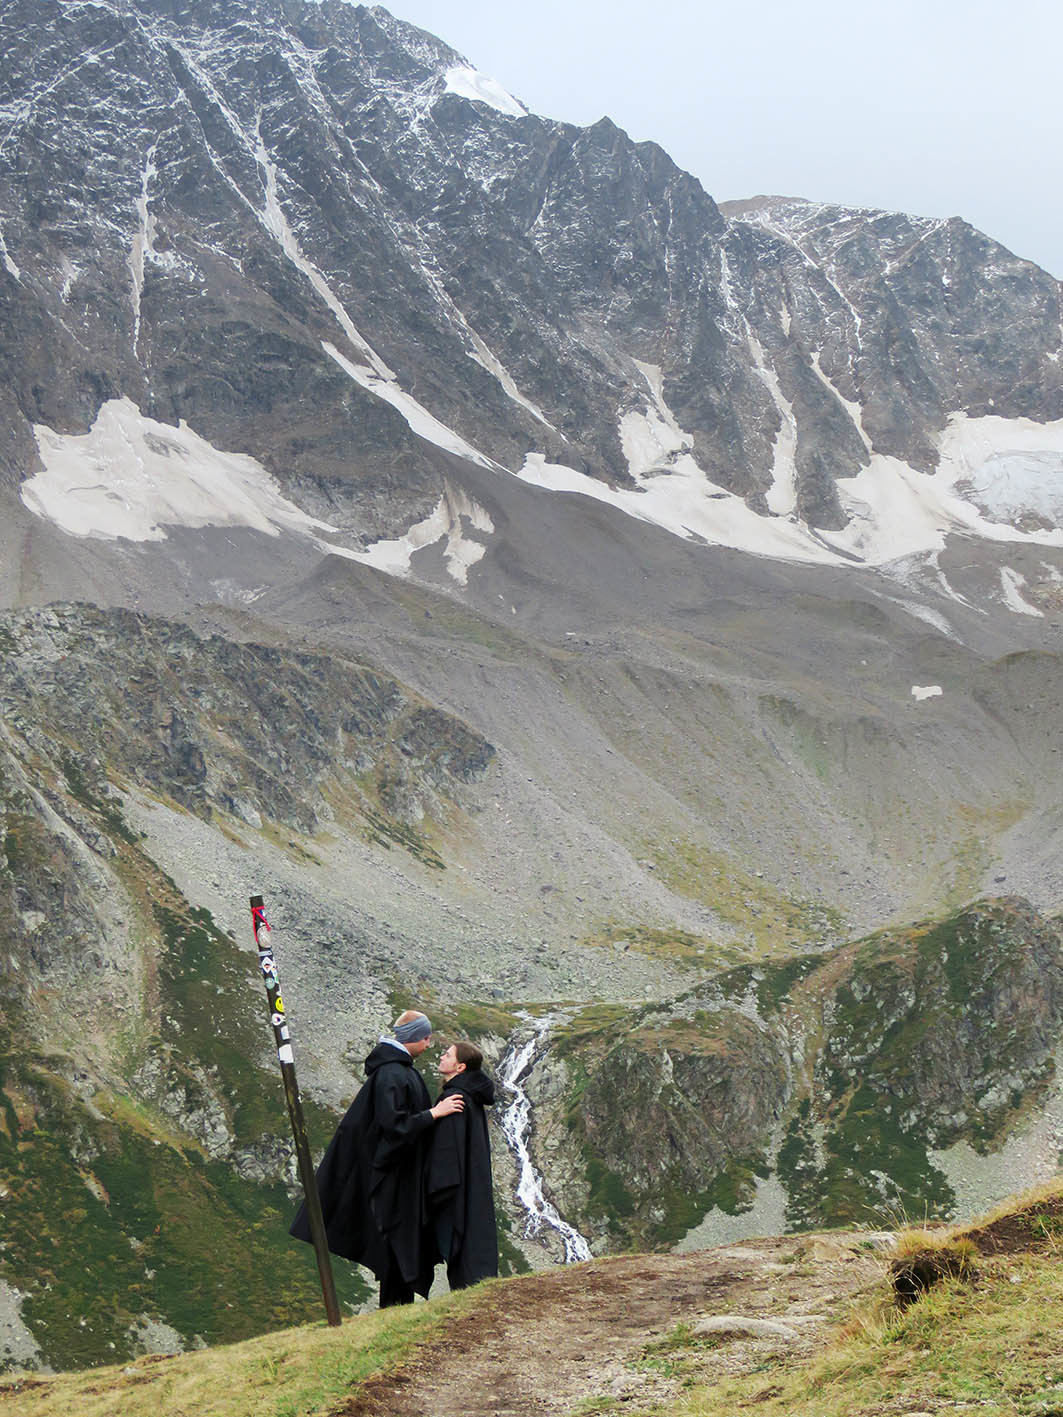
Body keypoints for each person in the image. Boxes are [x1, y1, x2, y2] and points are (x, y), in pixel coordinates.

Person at [290, 1010, 464, 1307]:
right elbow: (393, 1126)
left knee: (398, 1247)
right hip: (393, 1180)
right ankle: (394, 1308)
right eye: (426, 1037)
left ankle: (397, 1307)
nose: (429, 1043)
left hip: (394, 1176)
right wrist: (434, 1113)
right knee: (397, 1244)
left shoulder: (394, 1070)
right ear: (413, 1038)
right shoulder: (393, 1074)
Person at [426, 1039, 499, 1289]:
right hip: (472, 1182)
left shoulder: (455, 1099)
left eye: (447, 1055)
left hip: (456, 1187)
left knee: (461, 1241)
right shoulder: (470, 1096)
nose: (441, 1057)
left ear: (460, 1067)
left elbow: (447, 1152)